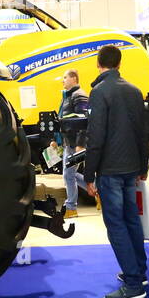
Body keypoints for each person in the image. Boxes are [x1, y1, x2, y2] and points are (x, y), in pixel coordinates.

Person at [83, 44, 149, 298]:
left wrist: (89, 175)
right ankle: (140, 272)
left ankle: (133, 284)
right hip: (131, 167)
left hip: (110, 169)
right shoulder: (134, 91)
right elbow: (141, 133)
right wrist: (143, 166)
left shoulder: (99, 93)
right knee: (131, 219)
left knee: (116, 224)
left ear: (98, 64)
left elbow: (95, 137)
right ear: (120, 64)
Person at [57, 70, 89, 219]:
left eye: (65, 77)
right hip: (68, 142)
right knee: (69, 174)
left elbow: (84, 122)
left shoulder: (79, 95)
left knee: (68, 174)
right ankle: (98, 191)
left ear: (74, 79)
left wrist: (80, 144)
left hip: (75, 143)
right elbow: (62, 121)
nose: (62, 80)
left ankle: (71, 207)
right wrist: (56, 140)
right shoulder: (67, 96)